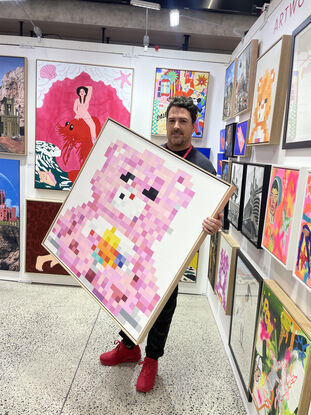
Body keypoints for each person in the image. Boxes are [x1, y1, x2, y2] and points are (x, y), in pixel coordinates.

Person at [100, 96, 222, 393]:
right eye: (171, 120)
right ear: (165, 124)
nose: (176, 126)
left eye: (183, 121)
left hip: (172, 252)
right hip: (139, 244)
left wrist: (214, 225)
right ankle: (129, 346)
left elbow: (216, 216)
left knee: (164, 305)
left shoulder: (204, 167)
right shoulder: (151, 155)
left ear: (193, 126)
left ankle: (152, 358)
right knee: (129, 296)